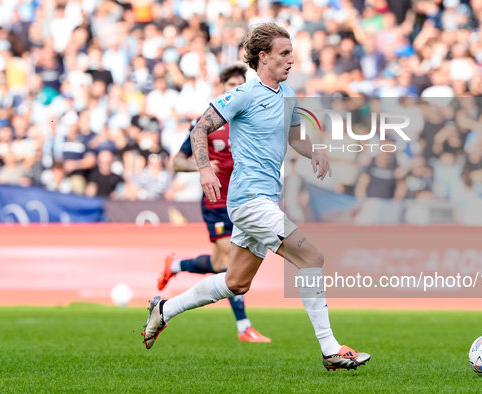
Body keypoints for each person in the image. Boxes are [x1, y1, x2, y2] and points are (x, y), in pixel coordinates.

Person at [142, 23, 371, 371]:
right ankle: (330, 350)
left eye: (291, 53)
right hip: (249, 199)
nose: (291, 60)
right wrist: (204, 169)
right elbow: (200, 127)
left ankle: (164, 309)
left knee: (235, 282)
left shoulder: (289, 96)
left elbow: (295, 139)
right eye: (284, 54)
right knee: (312, 257)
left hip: (265, 199)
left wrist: (316, 153)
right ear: (263, 57)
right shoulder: (245, 93)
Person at [156, 65, 271, 343]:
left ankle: (175, 266)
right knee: (232, 264)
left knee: (222, 263)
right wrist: (203, 167)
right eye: (228, 84)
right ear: (220, 88)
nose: (233, 88)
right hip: (216, 200)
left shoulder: (249, 120)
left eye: (238, 84)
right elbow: (177, 162)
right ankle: (244, 326)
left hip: (244, 200)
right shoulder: (207, 121)